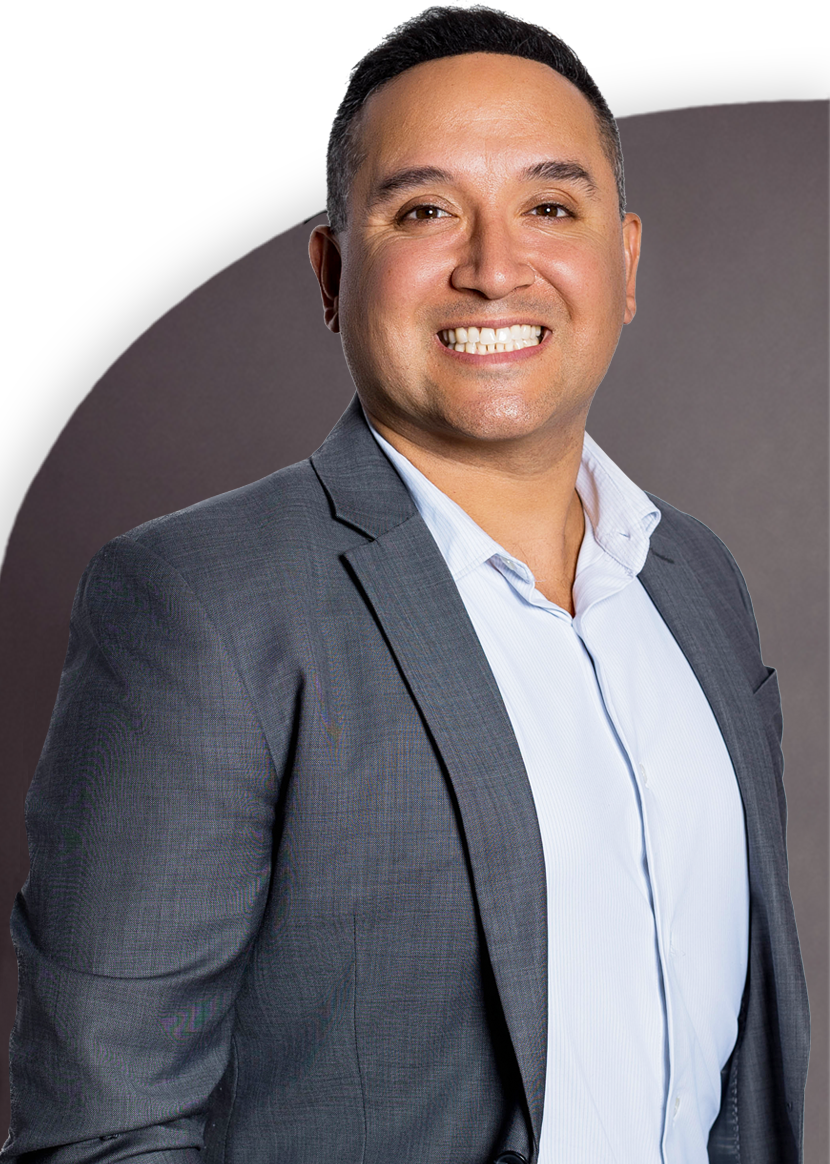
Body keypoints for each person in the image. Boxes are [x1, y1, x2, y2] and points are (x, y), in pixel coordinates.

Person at [2, 5, 809, 1163]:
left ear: (622, 262)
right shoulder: (199, 604)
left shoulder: (695, 581)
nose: (493, 268)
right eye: (424, 210)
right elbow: (104, 1135)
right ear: (332, 270)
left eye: (547, 206)